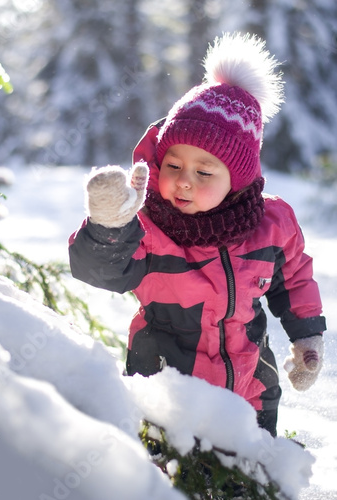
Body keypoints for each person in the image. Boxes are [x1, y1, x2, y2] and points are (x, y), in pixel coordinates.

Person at [69, 33, 326, 437]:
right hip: (163, 393)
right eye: (173, 165)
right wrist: (109, 226)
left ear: (237, 181)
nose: (183, 182)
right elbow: (101, 271)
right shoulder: (151, 228)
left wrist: (307, 338)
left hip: (250, 392)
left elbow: (293, 279)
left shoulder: (271, 224)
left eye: (204, 172)